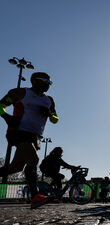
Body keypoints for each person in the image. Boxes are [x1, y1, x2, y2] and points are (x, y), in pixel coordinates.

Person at [0, 72, 59, 209]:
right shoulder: (20, 93)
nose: (48, 85)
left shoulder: (49, 100)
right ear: (34, 80)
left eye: (50, 82)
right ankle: (35, 196)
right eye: (45, 81)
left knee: (16, 168)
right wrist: (6, 117)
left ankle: (35, 197)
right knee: (34, 159)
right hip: (18, 132)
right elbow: (0, 105)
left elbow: (56, 120)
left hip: (35, 136)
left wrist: (50, 114)